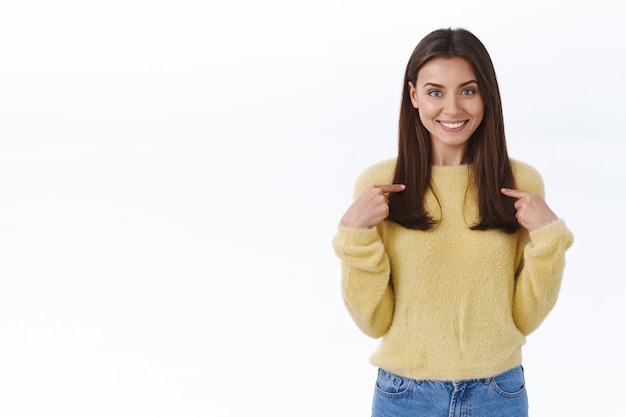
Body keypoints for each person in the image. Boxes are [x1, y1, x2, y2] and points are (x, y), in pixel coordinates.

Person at [332, 27, 574, 417]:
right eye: (434, 92)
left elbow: (525, 317)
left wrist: (548, 240)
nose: (452, 108)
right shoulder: (379, 187)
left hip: (497, 392)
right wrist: (356, 236)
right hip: (404, 394)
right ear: (413, 95)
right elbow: (372, 321)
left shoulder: (520, 185)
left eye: (467, 90)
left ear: (486, 95)